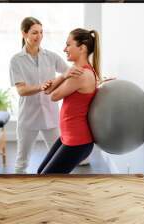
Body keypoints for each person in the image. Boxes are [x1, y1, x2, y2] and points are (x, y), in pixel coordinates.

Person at [9, 17, 84, 174]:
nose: (39, 36)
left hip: (50, 115)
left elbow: (69, 72)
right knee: (21, 162)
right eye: (34, 32)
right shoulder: (16, 60)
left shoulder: (51, 56)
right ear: (24, 33)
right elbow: (21, 90)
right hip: (28, 117)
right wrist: (40, 87)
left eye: (41, 32)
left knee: (58, 156)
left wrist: (96, 78)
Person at [37, 28, 101, 174]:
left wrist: (64, 76)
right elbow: (47, 90)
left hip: (77, 142)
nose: (64, 49)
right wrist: (64, 75)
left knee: (47, 178)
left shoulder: (80, 74)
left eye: (68, 45)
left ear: (82, 48)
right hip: (68, 136)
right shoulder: (76, 70)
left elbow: (54, 96)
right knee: (40, 173)